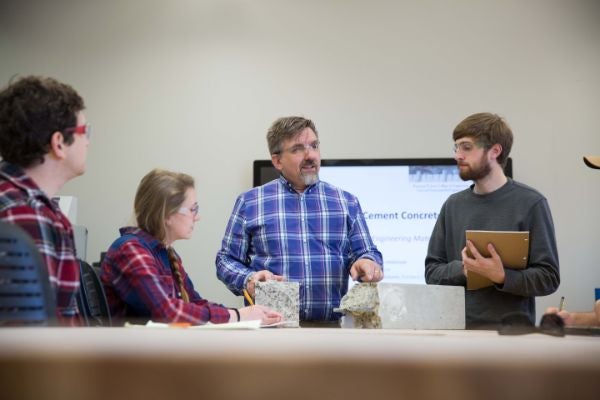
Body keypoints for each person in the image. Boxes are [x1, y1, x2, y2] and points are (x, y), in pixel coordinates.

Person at [216, 116, 383, 325]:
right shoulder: (250, 202)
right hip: (270, 331)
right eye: (297, 149)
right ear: (277, 161)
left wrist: (367, 262)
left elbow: (367, 252)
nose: (310, 155)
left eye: (314, 146)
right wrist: (248, 280)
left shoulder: (345, 202)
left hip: (330, 332)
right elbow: (225, 260)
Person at [425, 112, 560, 328]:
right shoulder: (453, 205)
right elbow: (431, 273)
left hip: (511, 340)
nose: (458, 155)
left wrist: (502, 276)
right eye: (456, 148)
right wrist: (464, 269)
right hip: (455, 337)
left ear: (495, 151)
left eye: (466, 147)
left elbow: (549, 278)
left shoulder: (531, 203)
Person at [101, 168, 282, 326]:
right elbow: (169, 312)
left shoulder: (166, 254)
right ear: (167, 215)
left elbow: (195, 303)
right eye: (192, 209)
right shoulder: (131, 250)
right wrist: (238, 315)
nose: (197, 217)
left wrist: (246, 314)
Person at [0, 76, 89, 325]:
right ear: (59, 143)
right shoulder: (25, 214)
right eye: (85, 131)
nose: (89, 142)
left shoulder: (27, 204)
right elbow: (38, 341)